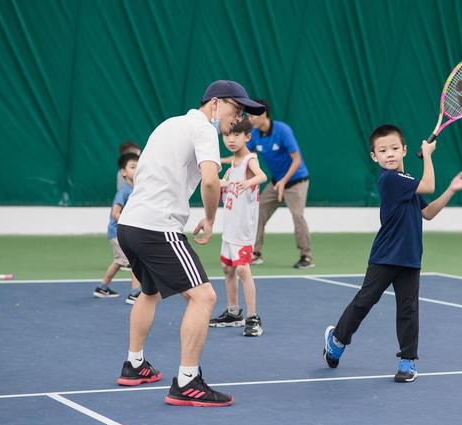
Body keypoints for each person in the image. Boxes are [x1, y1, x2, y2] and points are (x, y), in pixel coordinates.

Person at [116, 80, 264, 407]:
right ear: (215, 103)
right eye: (235, 108)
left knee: (149, 292)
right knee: (204, 296)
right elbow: (210, 180)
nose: (237, 117)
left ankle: (135, 364)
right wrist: (210, 219)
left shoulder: (169, 124)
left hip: (130, 225)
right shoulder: (204, 129)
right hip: (157, 228)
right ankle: (187, 381)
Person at [322, 124, 462, 383]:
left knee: (408, 309)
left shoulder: (407, 183)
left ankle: (407, 361)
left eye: (394, 148)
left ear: (404, 150)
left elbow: (427, 212)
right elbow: (428, 185)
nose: (389, 154)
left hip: (410, 257)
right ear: (374, 157)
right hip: (385, 256)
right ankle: (337, 339)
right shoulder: (390, 179)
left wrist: (451, 190)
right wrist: (428, 154)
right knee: (364, 302)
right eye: (383, 150)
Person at [209, 118, 267, 336]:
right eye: (227, 135)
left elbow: (262, 175)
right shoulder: (232, 164)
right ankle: (234, 312)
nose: (231, 139)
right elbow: (224, 185)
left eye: (236, 134)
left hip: (244, 230)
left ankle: (253, 317)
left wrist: (249, 182)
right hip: (229, 229)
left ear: (247, 137)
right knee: (227, 268)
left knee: (243, 269)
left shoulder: (249, 160)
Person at [245, 99, 314, 269]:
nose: (249, 119)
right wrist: (222, 161)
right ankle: (255, 253)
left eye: (251, 115)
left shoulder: (283, 130)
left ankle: (306, 257)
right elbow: (245, 157)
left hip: (296, 181)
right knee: (259, 212)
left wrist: (284, 181)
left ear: (263, 114)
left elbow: (297, 160)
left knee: (298, 216)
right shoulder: (254, 134)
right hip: (277, 183)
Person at [93, 152, 142, 304]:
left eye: (138, 166)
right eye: (133, 167)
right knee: (135, 261)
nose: (137, 169)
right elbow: (115, 213)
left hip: (124, 233)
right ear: (123, 172)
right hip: (117, 233)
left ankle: (102, 288)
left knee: (118, 261)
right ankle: (135, 293)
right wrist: (129, 223)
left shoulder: (138, 188)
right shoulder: (124, 191)